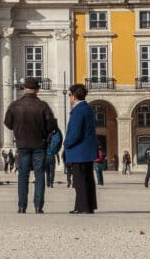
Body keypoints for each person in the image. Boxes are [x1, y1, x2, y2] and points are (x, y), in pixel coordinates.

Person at [3, 77, 57, 214]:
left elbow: (7, 123)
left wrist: (17, 128)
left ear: (24, 88)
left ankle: (22, 206)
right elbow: (51, 125)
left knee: (23, 175)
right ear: (38, 90)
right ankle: (38, 206)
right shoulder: (43, 106)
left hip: (22, 144)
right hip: (39, 144)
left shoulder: (15, 105)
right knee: (39, 176)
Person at [64, 83, 99, 214]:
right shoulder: (88, 108)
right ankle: (88, 206)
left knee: (79, 181)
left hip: (79, 151)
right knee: (88, 179)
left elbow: (75, 132)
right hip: (87, 150)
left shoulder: (78, 110)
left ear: (74, 96)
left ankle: (82, 206)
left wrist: (66, 144)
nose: (69, 98)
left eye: (69, 95)